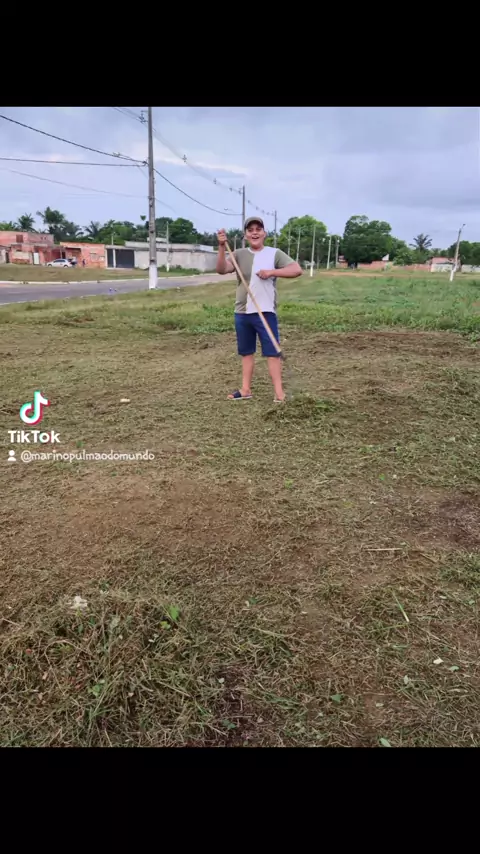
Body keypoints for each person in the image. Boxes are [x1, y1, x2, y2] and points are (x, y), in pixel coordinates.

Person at [216, 217, 302, 402]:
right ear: (246, 235)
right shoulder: (239, 254)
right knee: (246, 352)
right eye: (250, 230)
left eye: (258, 229)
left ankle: (279, 393)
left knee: (272, 352)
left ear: (264, 233)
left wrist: (272, 272)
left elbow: (296, 270)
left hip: (265, 311)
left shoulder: (274, 253)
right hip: (242, 312)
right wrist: (222, 247)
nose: (254, 232)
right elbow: (221, 269)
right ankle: (245, 389)